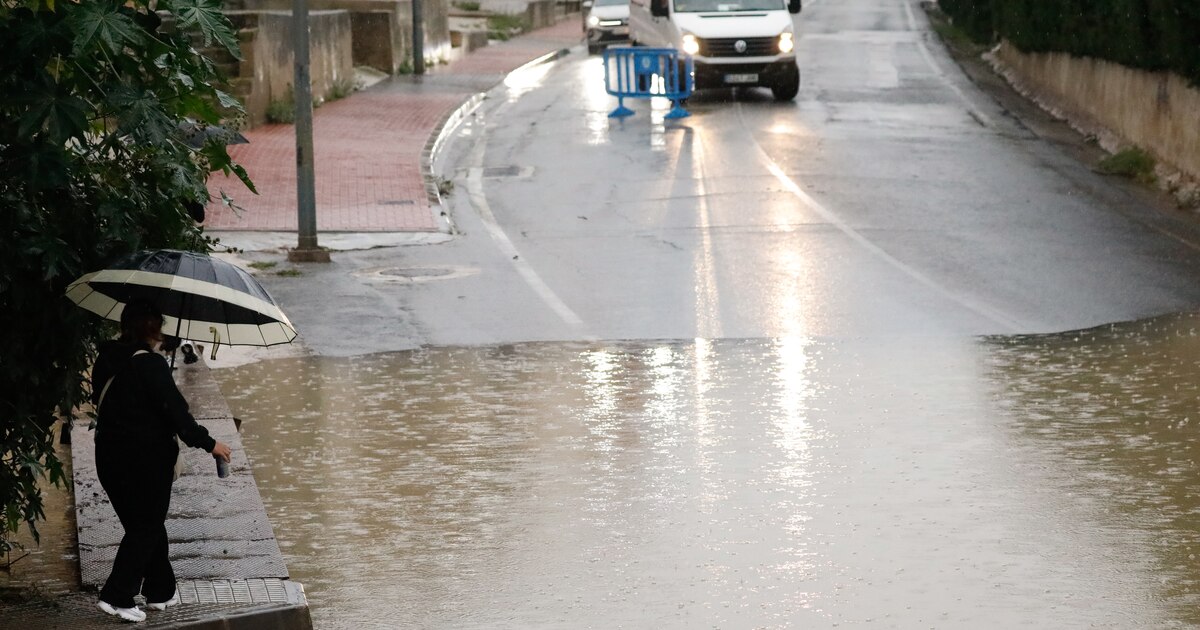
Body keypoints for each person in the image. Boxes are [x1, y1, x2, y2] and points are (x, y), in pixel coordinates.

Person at [90, 299, 232, 622]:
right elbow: (180, 419)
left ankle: (160, 589)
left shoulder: (107, 360)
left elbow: (115, 400)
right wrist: (212, 445)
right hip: (145, 464)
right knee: (145, 527)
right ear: (152, 329)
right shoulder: (150, 366)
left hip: (108, 460)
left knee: (145, 525)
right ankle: (117, 596)